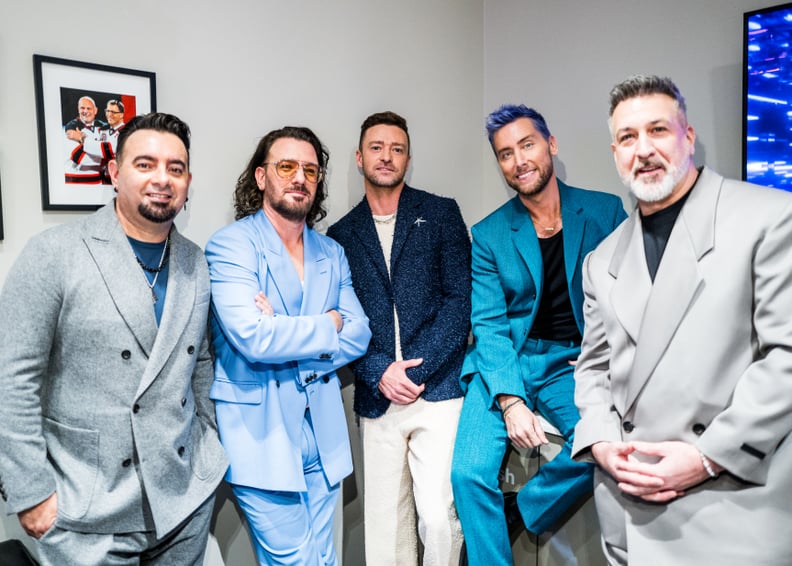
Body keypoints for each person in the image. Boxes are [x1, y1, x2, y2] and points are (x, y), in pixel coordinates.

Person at [571, 74, 792, 565]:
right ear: (614, 152)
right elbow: (591, 370)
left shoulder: (770, 218)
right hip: (629, 511)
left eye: (658, 131)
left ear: (688, 138)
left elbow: (786, 358)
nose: (643, 149)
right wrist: (602, 443)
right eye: (628, 137)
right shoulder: (600, 261)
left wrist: (706, 457)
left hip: (732, 506)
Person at [0, 112, 228, 565]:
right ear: (114, 172)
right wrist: (29, 491)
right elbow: (12, 379)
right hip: (86, 509)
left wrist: (210, 446)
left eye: (175, 168)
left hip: (181, 500)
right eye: (145, 164)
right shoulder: (54, 252)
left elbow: (200, 363)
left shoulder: (195, 262)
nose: (162, 179)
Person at [450, 104, 627, 565]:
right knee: (468, 474)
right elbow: (488, 324)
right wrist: (510, 401)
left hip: (570, 361)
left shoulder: (605, 212)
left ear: (550, 145)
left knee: (598, 444)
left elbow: (630, 297)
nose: (519, 160)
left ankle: (524, 508)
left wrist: (602, 361)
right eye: (505, 154)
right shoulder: (489, 233)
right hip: (503, 360)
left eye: (526, 145)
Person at [205, 126, 372, 565]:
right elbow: (254, 338)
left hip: (324, 433)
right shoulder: (231, 246)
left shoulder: (331, 252)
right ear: (261, 177)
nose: (300, 177)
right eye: (286, 166)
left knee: (325, 559)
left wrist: (285, 326)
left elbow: (359, 332)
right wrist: (325, 324)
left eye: (310, 170)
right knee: (294, 562)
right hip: (261, 433)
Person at [327, 111, 471, 565]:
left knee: (439, 517)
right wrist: (378, 373)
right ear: (359, 157)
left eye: (397, 148)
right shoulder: (340, 235)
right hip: (377, 397)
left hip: (439, 390)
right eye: (376, 147)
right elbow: (342, 320)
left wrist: (417, 369)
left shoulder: (441, 213)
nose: (386, 157)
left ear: (408, 158)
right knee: (385, 531)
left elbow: (459, 301)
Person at [64, 95, 108, 184]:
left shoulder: (104, 127)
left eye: (89, 108)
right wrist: (106, 155)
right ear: (78, 109)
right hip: (77, 181)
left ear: (95, 111)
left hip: (100, 183)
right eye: (82, 108)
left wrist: (82, 140)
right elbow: (81, 158)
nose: (85, 111)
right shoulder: (71, 130)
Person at [82, 100, 126, 184]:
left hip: (119, 180)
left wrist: (83, 139)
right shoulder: (102, 130)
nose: (109, 115)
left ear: (121, 115)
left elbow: (109, 151)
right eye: (108, 111)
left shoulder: (126, 132)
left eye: (113, 112)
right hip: (104, 179)